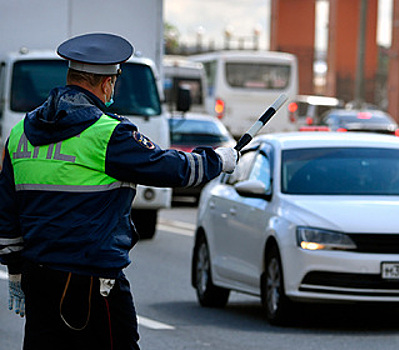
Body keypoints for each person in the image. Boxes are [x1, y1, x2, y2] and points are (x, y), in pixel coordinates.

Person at [0, 33, 238, 350]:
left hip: (38, 279)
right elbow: (170, 168)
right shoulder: (107, 133)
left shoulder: (20, 132)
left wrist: (15, 270)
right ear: (107, 84)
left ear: (70, 77)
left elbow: (6, 211)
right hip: (91, 283)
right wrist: (217, 160)